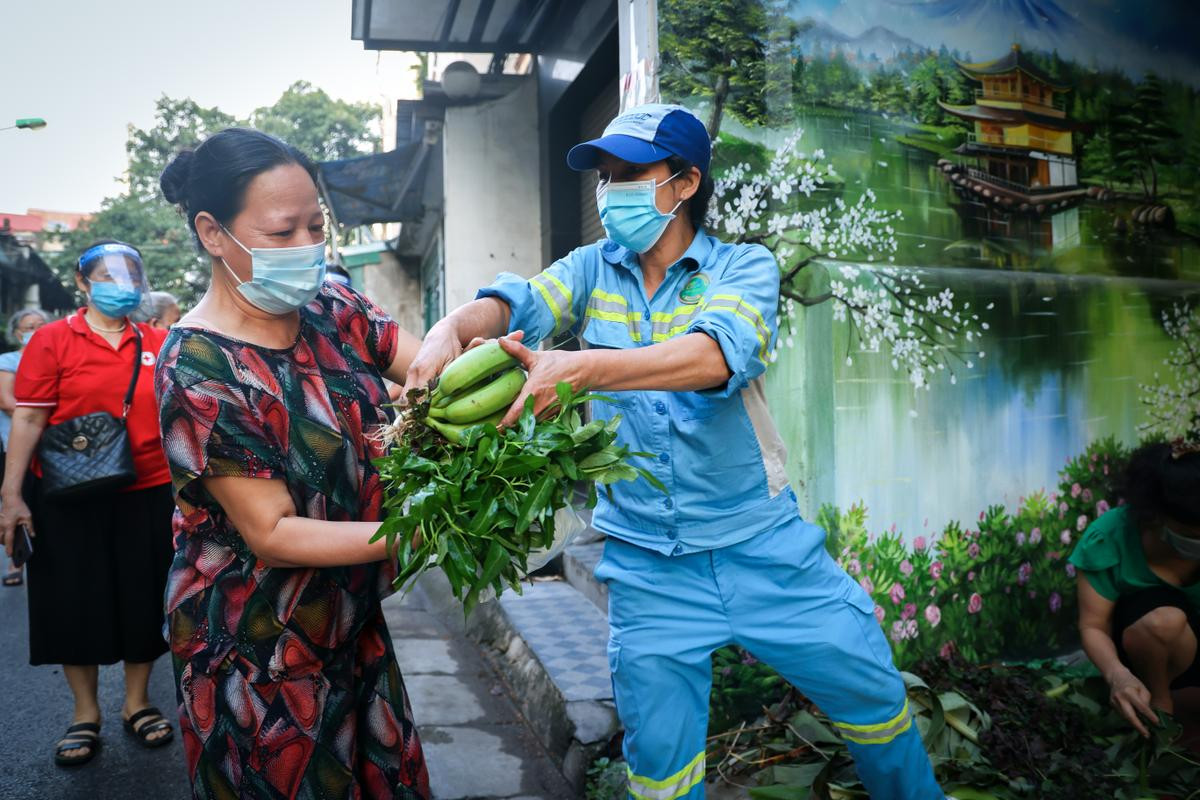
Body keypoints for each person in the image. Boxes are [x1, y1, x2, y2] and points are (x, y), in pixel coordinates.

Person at [403, 104, 943, 800]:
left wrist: (586, 369)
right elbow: (520, 302)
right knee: (661, 771)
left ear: (685, 183)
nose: (611, 191)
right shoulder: (595, 268)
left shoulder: (743, 269)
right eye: (606, 176)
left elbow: (715, 356)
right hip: (649, 568)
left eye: (632, 174)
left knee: (873, 696)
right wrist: (453, 324)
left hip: (763, 548)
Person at [155, 127, 429, 799]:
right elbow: (272, 534)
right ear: (214, 233)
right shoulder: (199, 368)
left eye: (317, 225)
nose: (308, 248)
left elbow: (427, 373)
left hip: (350, 622)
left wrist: (510, 375)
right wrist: (420, 530)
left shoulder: (333, 307)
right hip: (258, 651)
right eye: (283, 233)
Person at [0, 242, 175, 766]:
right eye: (106, 276)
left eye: (130, 277)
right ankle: (85, 713)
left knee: (144, 597)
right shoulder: (52, 340)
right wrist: (10, 495)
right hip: (65, 492)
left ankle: (138, 703)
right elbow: (29, 418)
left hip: (146, 489)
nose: (121, 286)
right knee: (73, 600)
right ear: (83, 284)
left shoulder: (161, 341)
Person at [1072, 439, 1200, 737]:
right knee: (1163, 622)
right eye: (1192, 535)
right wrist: (1117, 675)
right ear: (1155, 516)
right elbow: (1093, 626)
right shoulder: (1109, 538)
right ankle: (1158, 710)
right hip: (1145, 650)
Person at [0, 308, 49, 586]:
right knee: (19, 499)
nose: (35, 329)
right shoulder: (8, 360)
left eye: (40, 324)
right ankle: (15, 559)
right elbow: (7, 402)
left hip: (52, 447)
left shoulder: (52, 354)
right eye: (29, 326)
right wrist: (43, 412)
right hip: (17, 445)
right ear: (17, 332)